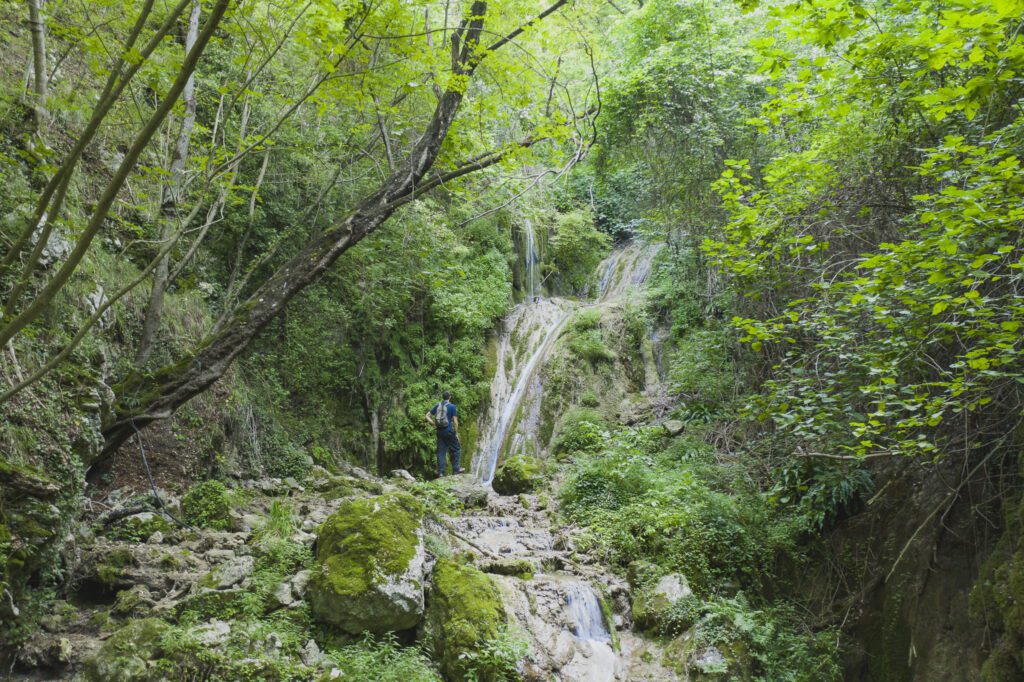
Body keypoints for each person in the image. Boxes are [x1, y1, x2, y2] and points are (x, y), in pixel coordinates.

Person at [426, 390, 463, 477]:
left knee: (441, 452)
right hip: (449, 431)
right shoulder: (452, 406)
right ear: (449, 397)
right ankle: (456, 469)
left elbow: (427, 416)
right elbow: (455, 421)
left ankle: (441, 472)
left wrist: (433, 423)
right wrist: (455, 432)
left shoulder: (437, 405)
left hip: (439, 431)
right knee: (456, 448)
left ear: (442, 397)